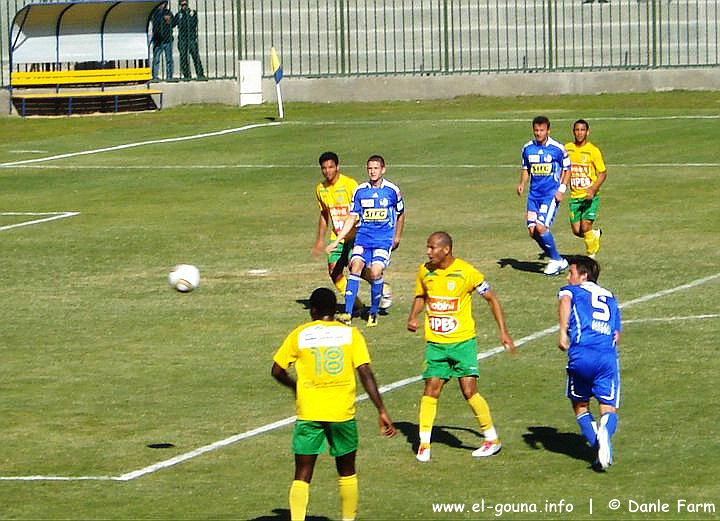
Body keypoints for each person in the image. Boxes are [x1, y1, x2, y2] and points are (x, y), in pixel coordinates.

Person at [271, 287, 396, 521]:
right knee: (347, 471)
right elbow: (365, 372)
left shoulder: (300, 334)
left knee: (302, 474)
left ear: (313, 310)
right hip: (342, 414)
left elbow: (276, 370)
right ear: (333, 309)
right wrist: (381, 409)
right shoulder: (351, 334)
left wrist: (294, 386)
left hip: (309, 413)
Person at [407, 231, 516, 462]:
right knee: (431, 389)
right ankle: (424, 444)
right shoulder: (424, 271)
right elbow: (421, 296)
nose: (428, 252)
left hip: (463, 343)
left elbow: (492, 298)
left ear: (446, 250)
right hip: (436, 344)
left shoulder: (467, 272)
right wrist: (413, 317)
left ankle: (491, 439)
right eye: (427, 247)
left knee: (469, 391)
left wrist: (503, 332)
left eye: (432, 248)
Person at [557, 256, 621, 470]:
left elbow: (564, 301)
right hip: (607, 358)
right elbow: (617, 335)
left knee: (580, 405)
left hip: (582, 354)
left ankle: (599, 445)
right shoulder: (611, 297)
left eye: (571, 272)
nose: (568, 277)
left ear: (584, 275)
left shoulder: (571, 290)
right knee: (608, 408)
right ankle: (604, 439)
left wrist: (563, 333)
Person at [326, 155, 405, 327]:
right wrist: (338, 240)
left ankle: (374, 312)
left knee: (376, 272)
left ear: (383, 169)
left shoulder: (392, 191)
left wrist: (397, 236)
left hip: (383, 241)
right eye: (370, 168)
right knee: (355, 267)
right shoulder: (360, 191)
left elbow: (401, 213)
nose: (372, 171)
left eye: (376, 168)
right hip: (363, 239)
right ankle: (347, 313)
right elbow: (352, 216)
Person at [311, 152, 368, 315]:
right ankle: (358, 305)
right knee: (334, 271)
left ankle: (381, 285)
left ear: (337, 167)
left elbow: (362, 210)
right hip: (336, 237)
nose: (327, 171)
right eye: (324, 168)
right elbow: (324, 214)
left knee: (355, 267)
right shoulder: (320, 189)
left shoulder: (350, 185)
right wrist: (319, 240)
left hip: (355, 234)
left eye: (330, 167)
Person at [517, 115, 571, 275]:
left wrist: (561, 189)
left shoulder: (557, 148)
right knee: (532, 231)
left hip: (550, 195)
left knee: (541, 227)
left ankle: (555, 260)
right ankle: (558, 260)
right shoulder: (527, 148)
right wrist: (522, 183)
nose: (538, 133)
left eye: (541, 130)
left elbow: (567, 169)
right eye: (536, 130)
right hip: (534, 196)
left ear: (548, 130)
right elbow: (526, 168)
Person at [565, 119, 607, 258]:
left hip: (590, 196)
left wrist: (593, 189)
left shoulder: (593, 151)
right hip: (574, 197)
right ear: (573, 132)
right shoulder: (568, 148)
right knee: (577, 231)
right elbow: (562, 168)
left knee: (585, 226)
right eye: (577, 130)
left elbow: (602, 173)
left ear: (587, 132)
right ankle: (594, 235)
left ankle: (591, 255)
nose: (579, 133)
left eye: (582, 130)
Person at [174, 0, 205, 80]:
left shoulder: (192, 13)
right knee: (183, 58)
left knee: (195, 56)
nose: (184, 6)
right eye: (182, 4)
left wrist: (187, 16)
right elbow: (173, 23)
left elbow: (193, 24)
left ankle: (200, 74)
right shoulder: (178, 15)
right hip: (182, 38)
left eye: (185, 4)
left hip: (191, 38)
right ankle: (187, 75)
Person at [151, 2, 174, 80]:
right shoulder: (154, 13)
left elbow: (173, 23)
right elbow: (154, 23)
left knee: (169, 59)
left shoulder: (168, 12)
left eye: (164, 3)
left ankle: (169, 76)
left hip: (167, 39)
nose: (162, 5)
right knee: (156, 59)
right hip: (158, 40)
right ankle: (155, 76)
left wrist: (169, 20)